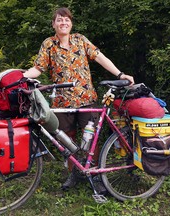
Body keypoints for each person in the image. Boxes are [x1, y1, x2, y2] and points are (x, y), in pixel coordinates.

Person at [23, 7, 134, 190]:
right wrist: (21, 77)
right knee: (67, 140)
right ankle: (74, 173)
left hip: (86, 99)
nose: (63, 23)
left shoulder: (80, 40)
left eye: (66, 20)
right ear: (53, 24)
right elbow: (38, 68)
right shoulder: (49, 44)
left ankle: (96, 175)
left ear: (71, 23)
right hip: (62, 103)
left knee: (91, 140)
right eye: (59, 20)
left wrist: (120, 74)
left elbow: (100, 58)